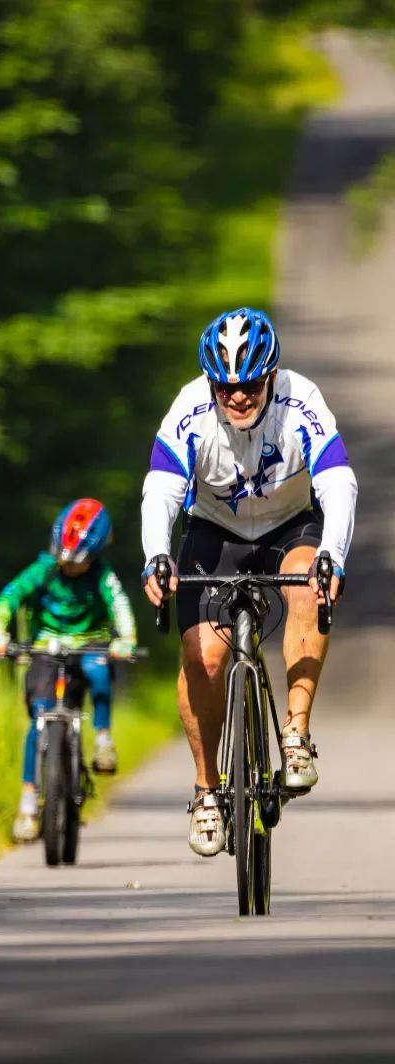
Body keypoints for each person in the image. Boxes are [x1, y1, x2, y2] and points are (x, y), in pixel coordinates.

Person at [141, 307, 357, 857]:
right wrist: (156, 558)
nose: (237, 398)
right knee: (203, 656)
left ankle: (295, 732)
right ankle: (207, 790)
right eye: (225, 387)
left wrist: (332, 554)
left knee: (308, 584)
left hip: (290, 523)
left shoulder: (300, 399)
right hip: (214, 529)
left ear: (271, 376)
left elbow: (337, 481)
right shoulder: (189, 409)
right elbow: (161, 489)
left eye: (249, 386)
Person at [0, 498, 137, 842]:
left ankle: (102, 739)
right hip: (44, 647)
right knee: (38, 720)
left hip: (90, 643)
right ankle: (27, 803)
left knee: (99, 671)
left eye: (77, 563)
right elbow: (10, 596)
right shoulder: (44, 568)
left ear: (94, 555)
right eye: (64, 560)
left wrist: (125, 638)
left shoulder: (102, 575)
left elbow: (119, 604)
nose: (68, 568)